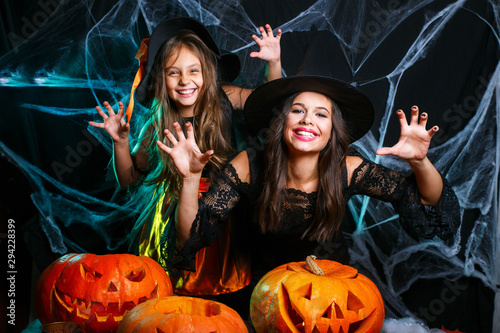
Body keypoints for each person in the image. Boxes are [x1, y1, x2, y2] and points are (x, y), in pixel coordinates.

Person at [158, 75, 461, 315]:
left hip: (334, 293)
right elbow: (189, 238)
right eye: (298, 111)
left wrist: (420, 162)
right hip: (267, 295)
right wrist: (190, 177)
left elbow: (429, 201)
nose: (307, 120)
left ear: (333, 131)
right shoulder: (248, 164)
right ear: (282, 123)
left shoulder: (349, 167)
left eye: (321, 114)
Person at [89, 16, 282, 295]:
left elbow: (271, 102)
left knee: (220, 299)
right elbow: (129, 179)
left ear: (207, 73)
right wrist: (120, 142)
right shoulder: (156, 122)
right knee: (168, 296)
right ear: (161, 78)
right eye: (173, 72)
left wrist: (273, 64)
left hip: (218, 213)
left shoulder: (225, 97)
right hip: (170, 216)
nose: (184, 81)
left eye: (194, 70)